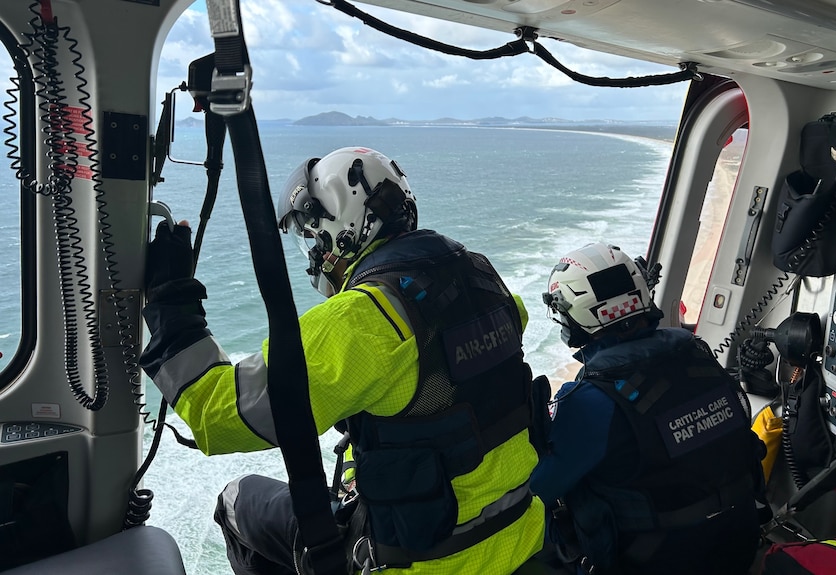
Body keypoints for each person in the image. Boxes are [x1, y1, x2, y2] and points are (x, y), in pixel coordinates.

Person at [140, 146, 545, 575]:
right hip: (519, 535)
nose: (311, 251)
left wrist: (170, 301)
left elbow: (217, 415)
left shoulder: (363, 319)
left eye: (310, 235)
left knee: (238, 499)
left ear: (341, 229)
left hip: (429, 563)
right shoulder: (487, 282)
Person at [529, 243, 766, 575]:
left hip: (654, 560)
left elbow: (538, 489)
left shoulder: (590, 399)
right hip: (739, 541)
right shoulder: (698, 355)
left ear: (575, 314)